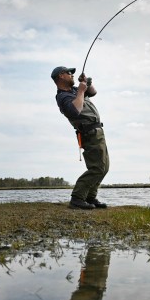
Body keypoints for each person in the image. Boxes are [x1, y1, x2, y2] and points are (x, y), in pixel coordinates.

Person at [52, 65, 109, 209]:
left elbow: (93, 92)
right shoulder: (63, 96)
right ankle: (77, 198)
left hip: (97, 131)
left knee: (104, 167)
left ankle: (90, 197)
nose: (72, 75)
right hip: (88, 133)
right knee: (97, 168)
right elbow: (74, 111)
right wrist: (81, 91)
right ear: (61, 76)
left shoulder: (75, 90)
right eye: (69, 73)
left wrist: (86, 83)